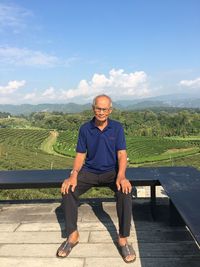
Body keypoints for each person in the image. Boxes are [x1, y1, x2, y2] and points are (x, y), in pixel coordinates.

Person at [56, 94, 136, 263]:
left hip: (111, 172)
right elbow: (80, 155)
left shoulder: (117, 128)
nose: (101, 112)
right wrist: (73, 175)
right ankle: (72, 235)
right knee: (68, 190)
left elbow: (122, 154)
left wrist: (121, 176)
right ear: (93, 109)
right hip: (90, 171)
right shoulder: (85, 129)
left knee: (126, 192)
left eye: (104, 109)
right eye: (98, 108)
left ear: (110, 110)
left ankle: (123, 238)